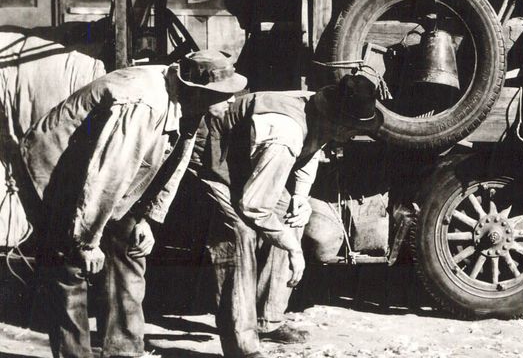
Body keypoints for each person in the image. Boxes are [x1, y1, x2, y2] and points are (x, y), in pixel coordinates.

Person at [21, 51, 246, 358]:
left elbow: (174, 164)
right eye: (225, 94)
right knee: (71, 265)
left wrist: (148, 218)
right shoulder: (143, 104)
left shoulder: (190, 103)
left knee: (130, 247)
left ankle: (124, 351)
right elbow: (107, 173)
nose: (232, 100)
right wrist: (87, 241)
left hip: (110, 174)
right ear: (198, 91)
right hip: (63, 167)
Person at [191, 73, 384, 358]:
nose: (353, 136)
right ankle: (241, 347)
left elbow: (312, 148)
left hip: (249, 156)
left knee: (290, 216)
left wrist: (299, 197)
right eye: (352, 130)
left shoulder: (320, 112)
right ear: (339, 123)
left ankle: (267, 320)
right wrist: (294, 249)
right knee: (238, 234)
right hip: (212, 150)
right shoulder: (286, 134)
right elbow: (254, 206)